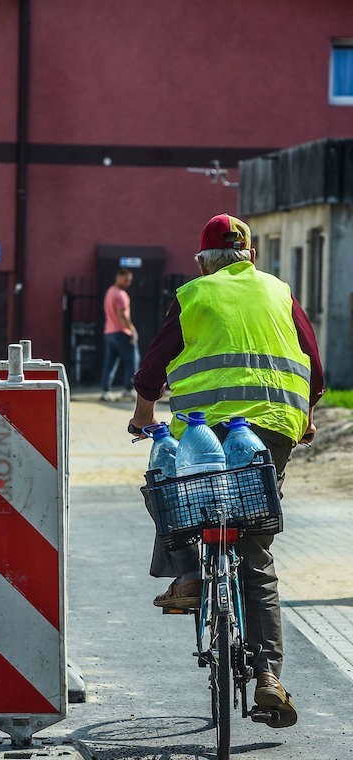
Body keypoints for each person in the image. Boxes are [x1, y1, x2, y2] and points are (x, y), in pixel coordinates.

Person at [128, 213, 324, 728]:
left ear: (203, 260)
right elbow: (314, 363)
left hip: (205, 429)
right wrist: (304, 416)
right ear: (251, 255)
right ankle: (268, 678)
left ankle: (190, 576)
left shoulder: (193, 295)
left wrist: (144, 413)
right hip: (275, 426)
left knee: (174, 488)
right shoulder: (280, 291)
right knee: (255, 546)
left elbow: (154, 365)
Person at [100, 268, 137, 401]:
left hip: (109, 332)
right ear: (119, 277)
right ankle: (128, 389)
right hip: (122, 332)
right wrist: (132, 329)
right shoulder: (121, 295)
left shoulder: (110, 292)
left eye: (130, 280)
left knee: (110, 363)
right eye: (126, 279)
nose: (128, 282)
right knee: (132, 360)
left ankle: (106, 390)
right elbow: (122, 315)